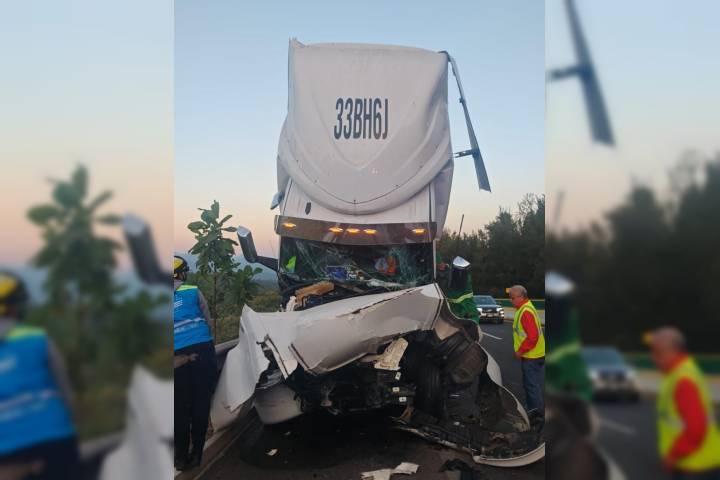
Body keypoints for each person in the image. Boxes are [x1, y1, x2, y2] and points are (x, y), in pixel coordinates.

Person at [0, 271, 79, 480]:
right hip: (55, 440)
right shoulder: (37, 338)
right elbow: (66, 392)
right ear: (12, 308)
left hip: (6, 453)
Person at [645, 327, 720, 479]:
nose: (653, 358)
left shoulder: (682, 380)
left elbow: (696, 429)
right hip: (701, 463)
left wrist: (673, 455)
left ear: (670, 352)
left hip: (695, 467)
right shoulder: (682, 372)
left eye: (657, 353)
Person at [173, 256, 217, 471]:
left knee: (179, 408)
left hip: (176, 356)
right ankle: (197, 453)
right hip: (202, 350)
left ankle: (180, 458)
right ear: (180, 274)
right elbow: (207, 319)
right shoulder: (192, 290)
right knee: (201, 402)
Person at [509, 285, 545, 416]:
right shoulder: (525, 307)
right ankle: (532, 409)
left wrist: (520, 351)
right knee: (529, 385)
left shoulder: (525, 312)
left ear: (521, 297)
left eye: (512, 298)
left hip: (532, 356)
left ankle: (537, 415)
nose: (510, 300)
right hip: (535, 354)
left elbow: (533, 337)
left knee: (532, 387)